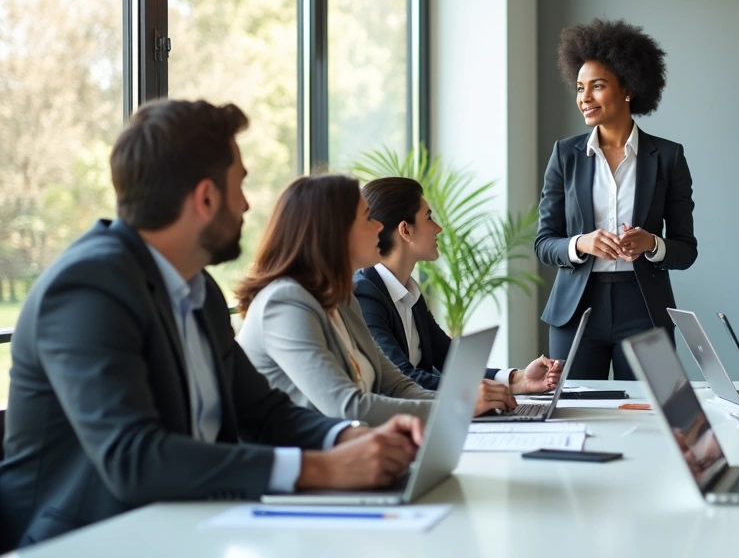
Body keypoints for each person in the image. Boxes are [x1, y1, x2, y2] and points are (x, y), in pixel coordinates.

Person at [0, 100, 423, 551]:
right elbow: (133, 457)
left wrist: (348, 436)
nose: (246, 204)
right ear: (205, 198)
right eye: (239, 184)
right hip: (88, 541)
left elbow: (264, 412)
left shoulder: (197, 287)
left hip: (192, 527)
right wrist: (323, 468)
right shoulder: (89, 288)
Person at [235, 175, 518, 425]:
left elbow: (397, 385)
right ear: (335, 232)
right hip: (304, 462)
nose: (380, 226)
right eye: (368, 218)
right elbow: (349, 406)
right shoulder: (285, 303)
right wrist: (456, 407)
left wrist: (460, 404)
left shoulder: (343, 298)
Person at [536, 18, 697, 380]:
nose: (584, 98)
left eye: (597, 86)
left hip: (644, 309)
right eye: (580, 88)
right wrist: (582, 243)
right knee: (574, 408)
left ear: (628, 89)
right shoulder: (565, 155)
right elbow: (544, 243)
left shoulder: (668, 157)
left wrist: (651, 243)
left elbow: (686, 250)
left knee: (652, 407)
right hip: (576, 309)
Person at [354, 177, 561, 393]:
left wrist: (519, 379)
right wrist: (475, 392)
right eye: (428, 217)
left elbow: (450, 359)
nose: (438, 228)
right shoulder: (366, 295)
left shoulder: (409, 293)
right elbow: (401, 378)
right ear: (405, 230)